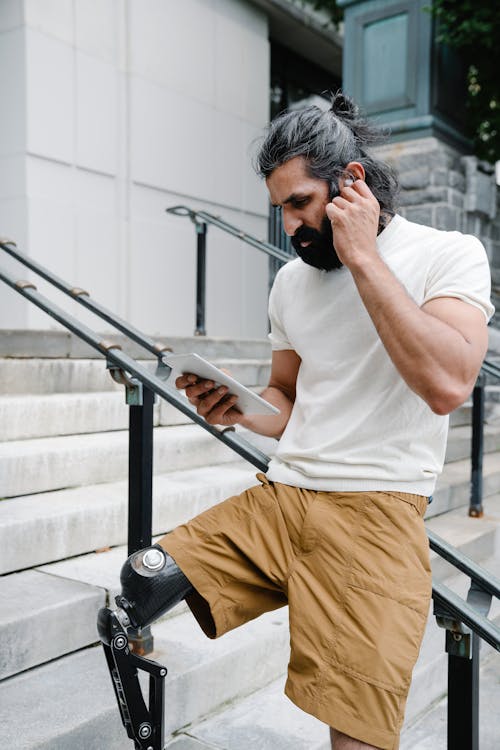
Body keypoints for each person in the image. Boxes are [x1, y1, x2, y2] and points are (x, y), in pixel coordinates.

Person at [106, 92, 494, 750]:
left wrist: (365, 257)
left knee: (357, 741)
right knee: (142, 579)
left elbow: (447, 382)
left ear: (353, 184)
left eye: (299, 204)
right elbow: (288, 400)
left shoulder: (447, 255)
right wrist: (243, 410)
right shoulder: (291, 283)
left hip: (375, 515)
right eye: (280, 208)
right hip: (283, 501)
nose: (290, 226)